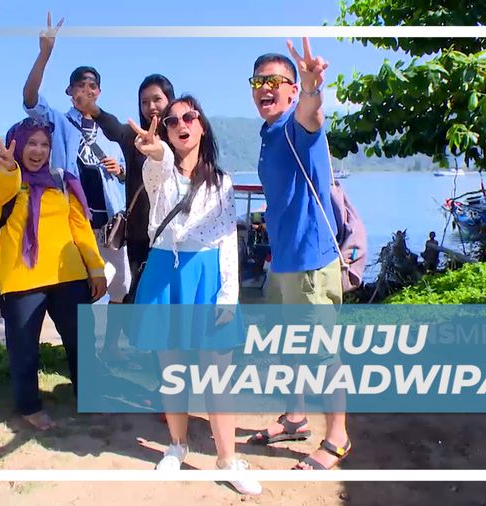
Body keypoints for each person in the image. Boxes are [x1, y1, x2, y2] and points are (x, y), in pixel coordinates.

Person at [128, 96, 262, 496]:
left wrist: (229, 296)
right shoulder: (161, 171)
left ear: (201, 124)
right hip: (166, 272)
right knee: (172, 369)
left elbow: (226, 240)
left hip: (207, 275)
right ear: (166, 130)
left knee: (217, 374)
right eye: (171, 121)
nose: (180, 124)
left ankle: (227, 458)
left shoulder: (221, 181)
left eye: (188, 117)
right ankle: (176, 446)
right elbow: (158, 172)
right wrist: (155, 155)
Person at [246, 39, 353, 470]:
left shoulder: (296, 123)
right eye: (258, 81)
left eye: (276, 80)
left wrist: (312, 89)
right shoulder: (269, 135)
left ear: (291, 90)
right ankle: (295, 417)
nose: (265, 88)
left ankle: (339, 437)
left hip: (312, 262)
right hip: (284, 261)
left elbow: (312, 115)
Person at [0, 117, 108, 431]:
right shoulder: (6, 182)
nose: (38, 150)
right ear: (17, 145)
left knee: (81, 340)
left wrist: (95, 269)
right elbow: (1, 190)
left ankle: (90, 395)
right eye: (31, 143)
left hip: (67, 275)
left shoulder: (62, 180)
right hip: (22, 278)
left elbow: (80, 227)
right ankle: (29, 405)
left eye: (44, 144)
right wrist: (10, 169)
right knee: (24, 346)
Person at [22, 12, 130, 313]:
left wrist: (120, 171)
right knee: (85, 287)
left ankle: (112, 348)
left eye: (92, 86)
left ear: (99, 91)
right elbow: (30, 98)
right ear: (69, 92)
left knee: (120, 284)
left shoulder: (111, 129)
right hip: (75, 222)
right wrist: (44, 54)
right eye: (79, 86)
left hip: (110, 224)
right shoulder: (57, 122)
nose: (86, 90)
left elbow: (127, 175)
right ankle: (87, 350)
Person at [86, 74, 177, 362]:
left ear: (169, 101)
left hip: (172, 236)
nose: (151, 106)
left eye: (157, 100)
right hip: (139, 234)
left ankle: (160, 358)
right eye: (145, 101)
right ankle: (119, 349)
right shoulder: (134, 138)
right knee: (133, 295)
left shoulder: (181, 136)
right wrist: (94, 108)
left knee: (165, 301)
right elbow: (112, 127)